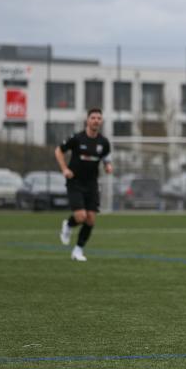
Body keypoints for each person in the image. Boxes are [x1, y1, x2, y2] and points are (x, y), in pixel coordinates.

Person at [56, 108, 113, 261]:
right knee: (81, 216)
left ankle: (77, 251)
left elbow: (106, 156)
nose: (96, 120)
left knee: (91, 219)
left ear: (101, 122)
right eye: (93, 117)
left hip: (92, 184)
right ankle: (68, 225)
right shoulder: (77, 138)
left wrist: (108, 165)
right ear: (87, 120)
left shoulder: (104, 142)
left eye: (98, 118)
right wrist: (64, 169)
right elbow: (58, 151)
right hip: (75, 182)